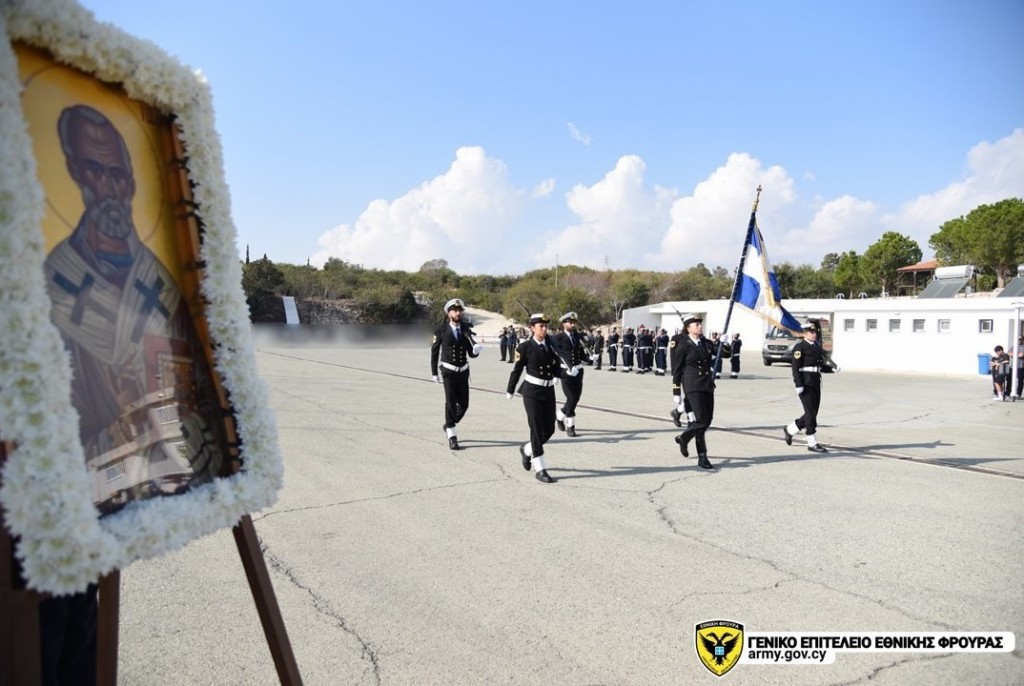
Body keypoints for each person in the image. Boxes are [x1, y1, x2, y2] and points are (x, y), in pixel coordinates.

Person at [43, 104, 228, 515]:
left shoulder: (163, 277)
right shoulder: (52, 285)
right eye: (95, 170)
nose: (109, 189)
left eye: (119, 175)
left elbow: (200, 384)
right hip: (94, 496)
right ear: (74, 170)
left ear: (131, 181)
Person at [506, 313, 575, 483]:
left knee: (549, 430)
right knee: (536, 430)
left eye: (546, 326)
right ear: (532, 328)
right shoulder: (524, 347)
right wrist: (510, 389)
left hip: (548, 391)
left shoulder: (550, 347)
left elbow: (554, 370)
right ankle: (540, 468)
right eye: (541, 326)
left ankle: (527, 449)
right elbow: (517, 370)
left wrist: (567, 373)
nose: (544, 329)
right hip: (531, 392)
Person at [670, 315, 729, 469]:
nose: (700, 327)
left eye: (700, 324)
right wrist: (676, 390)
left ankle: (684, 437)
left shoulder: (706, 343)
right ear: (688, 328)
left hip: (707, 385)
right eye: (696, 325)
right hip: (692, 385)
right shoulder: (683, 345)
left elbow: (725, 354)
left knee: (706, 421)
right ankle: (702, 456)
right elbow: (676, 369)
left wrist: (725, 343)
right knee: (701, 420)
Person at [430, 298, 483, 449]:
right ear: (449, 313)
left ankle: (448, 424)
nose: (458, 313)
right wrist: (434, 372)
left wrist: (475, 352)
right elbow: (434, 353)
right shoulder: (440, 330)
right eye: (455, 310)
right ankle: (452, 435)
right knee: (450, 403)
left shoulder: (466, 329)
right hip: (448, 372)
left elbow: (470, 353)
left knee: (464, 405)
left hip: (463, 371)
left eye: (460, 310)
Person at [783, 321, 838, 452]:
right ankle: (812, 443)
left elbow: (819, 366)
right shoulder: (800, 347)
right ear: (804, 333)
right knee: (810, 413)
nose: (814, 334)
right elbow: (795, 368)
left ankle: (790, 429)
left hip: (815, 382)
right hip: (805, 383)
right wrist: (798, 384)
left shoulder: (816, 347)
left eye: (815, 332)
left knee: (812, 412)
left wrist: (832, 369)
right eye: (811, 332)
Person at [552, 311, 591, 437]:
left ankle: (560, 415)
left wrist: (590, 359)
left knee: (576, 398)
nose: (573, 324)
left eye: (574, 323)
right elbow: (555, 357)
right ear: (564, 323)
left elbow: (580, 353)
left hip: (578, 370)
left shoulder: (577, 336)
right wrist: (556, 374)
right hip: (566, 371)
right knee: (571, 398)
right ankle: (571, 427)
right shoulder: (557, 338)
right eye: (570, 322)